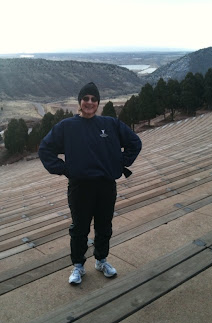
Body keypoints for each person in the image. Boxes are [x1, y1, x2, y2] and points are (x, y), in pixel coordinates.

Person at [38, 82, 142, 285]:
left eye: (94, 99)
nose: (89, 102)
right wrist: (64, 168)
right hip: (80, 188)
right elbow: (45, 149)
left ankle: (101, 260)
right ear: (79, 102)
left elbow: (134, 143)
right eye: (86, 98)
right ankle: (78, 265)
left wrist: (120, 163)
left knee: (104, 227)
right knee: (80, 229)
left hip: (106, 186)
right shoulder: (67, 126)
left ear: (98, 103)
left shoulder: (110, 124)